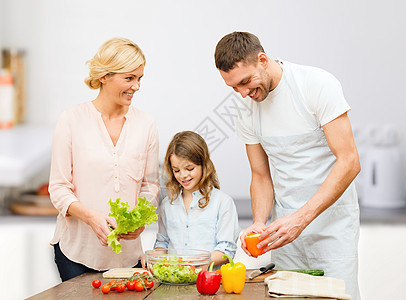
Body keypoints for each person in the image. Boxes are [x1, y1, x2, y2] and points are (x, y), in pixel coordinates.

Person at [214, 32, 361, 299]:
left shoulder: (316, 85)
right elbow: (260, 175)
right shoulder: (247, 107)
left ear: (262, 59)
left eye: (245, 82)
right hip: (284, 233)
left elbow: (349, 161)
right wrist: (259, 222)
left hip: (332, 229)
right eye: (234, 88)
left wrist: (301, 219)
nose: (244, 94)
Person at [49, 37, 160, 281]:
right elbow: (58, 188)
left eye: (140, 78)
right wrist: (91, 218)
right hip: (76, 252)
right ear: (104, 77)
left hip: (128, 257)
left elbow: (150, 185)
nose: (137, 86)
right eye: (129, 78)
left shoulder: (146, 124)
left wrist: (140, 222)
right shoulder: (70, 120)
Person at [153, 131, 240, 267]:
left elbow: (226, 249)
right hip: (175, 282)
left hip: (209, 282)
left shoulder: (222, 202)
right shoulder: (167, 205)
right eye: (176, 170)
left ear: (203, 164)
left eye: (189, 168)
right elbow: (162, 243)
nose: (183, 175)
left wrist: (195, 262)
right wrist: (154, 256)